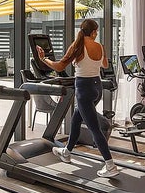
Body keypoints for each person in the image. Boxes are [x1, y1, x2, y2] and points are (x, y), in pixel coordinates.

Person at [36, 19, 119, 178]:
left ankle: (110, 165)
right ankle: (66, 152)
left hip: (84, 89)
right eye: (96, 31)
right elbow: (105, 65)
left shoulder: (77, 46)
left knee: (94, 128)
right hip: (97, 88)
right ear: (93, 32)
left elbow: (59, 66)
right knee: (76, 119)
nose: (97, 34)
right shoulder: (99, 46)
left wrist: (43, 59)